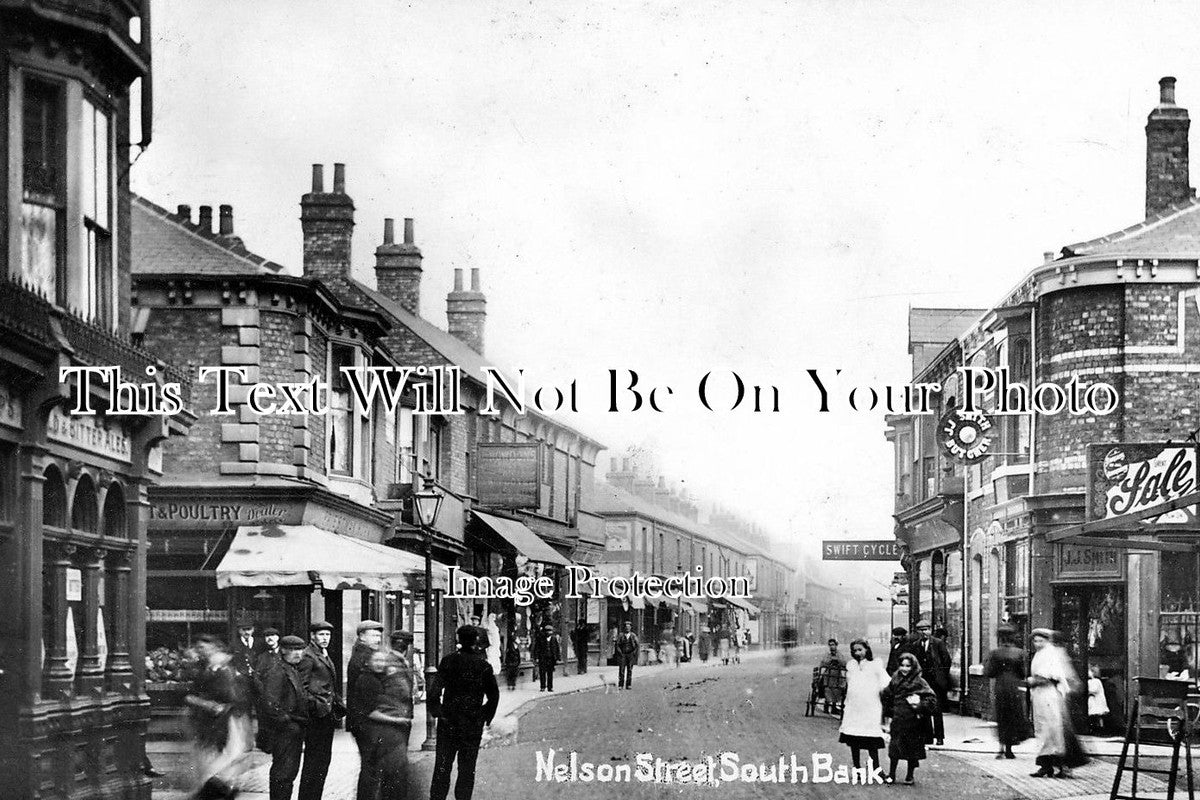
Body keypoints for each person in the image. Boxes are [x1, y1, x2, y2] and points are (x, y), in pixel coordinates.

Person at [429, 625, 500, 800]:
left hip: (449, 722)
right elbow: (493, 696)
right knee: (467, 769)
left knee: (442, 767)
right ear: (476, 640)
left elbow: (433, 692)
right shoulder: (483, 666)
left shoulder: (448, 661)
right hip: (472, 723)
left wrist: (438, 712)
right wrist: (484, 716)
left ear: (458, 640)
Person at [184, 634, 253, 799]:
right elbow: (191, 693)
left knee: (223, 759)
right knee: (212, 761)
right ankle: (219, 789)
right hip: (210, 722)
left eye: (204, 648)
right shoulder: (204, 667)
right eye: (199, 648)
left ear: (214, 648)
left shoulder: (225, 670)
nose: (201, 651)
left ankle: (218, 789)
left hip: (225, 722)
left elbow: (233, 696)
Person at [1028, 628, 1089, 778]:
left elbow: (1050, 676)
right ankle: (1045, 765)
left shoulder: (1051, 653)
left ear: (1047, 640)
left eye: (1041, 640)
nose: (1037, 643)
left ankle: (1062, 765)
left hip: (1049, 694)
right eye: (1035, 641)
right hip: (1040, 696)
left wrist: (1034, 681)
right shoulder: (1039, 654)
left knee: (1054, 730)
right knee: (1044, 730)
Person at [297, 621, 345, 800]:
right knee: (314, 762)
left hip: (326, 715)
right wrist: (318, 703)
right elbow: (300, 688)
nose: (326, 639)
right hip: (316, 716)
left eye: (328, 635)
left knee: (322, 761)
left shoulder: (323, 654)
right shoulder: (308, 656)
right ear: (313, 636)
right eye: (321, 635)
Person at [259, 636, 312, 800]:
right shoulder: (277, 671)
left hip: (291, 730)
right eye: (292, 650)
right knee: (283, 774)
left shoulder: (291, 669)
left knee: (288, 773)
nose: (297, 653)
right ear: (282, 650)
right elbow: (270, 704)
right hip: (284, 732)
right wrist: (288, 723)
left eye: (300, 649)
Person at [881, 652, 937, 785]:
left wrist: (919, 704)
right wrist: (888, 707)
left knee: (912, 749)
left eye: (908, 666)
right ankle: (892, 774)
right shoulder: (895, 679)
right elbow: (887, 694)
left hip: (913, 721)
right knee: (894, 749)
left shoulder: (919, 682)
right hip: (898, 719)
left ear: (913, 667)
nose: (905, 669)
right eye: (902, 665)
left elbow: (931, 699)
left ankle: (910, 775)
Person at [838, 639, 890, 774]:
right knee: (853, 738)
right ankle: (856, 767)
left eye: (860, 650)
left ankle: (876, 768)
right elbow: (849, 684)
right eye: (854, 650)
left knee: (871, 738)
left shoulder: (875, 665)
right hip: (854, 707)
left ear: (867, 650)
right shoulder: (851, 666)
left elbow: (886, 683)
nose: (857, 653)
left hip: (870, 707)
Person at [347, 620, 384, 800]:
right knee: (371, 767)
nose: (378, 638)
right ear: (362, 636)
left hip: (364, 720)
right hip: (367, 721)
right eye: (374, 635)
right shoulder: (364, 657)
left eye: (379, 635)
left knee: (371, 766)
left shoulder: (363, 653)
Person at [984, 623, 1029, 759]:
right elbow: (1023, 673)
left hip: (1000, 686)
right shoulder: (1020, 653)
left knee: (1001, 715)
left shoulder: (995, 653)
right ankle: (1010, 748)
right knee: (1014, 715)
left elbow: (989, 672)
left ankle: (1001, 748)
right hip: (1014, 686)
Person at [913, 617, 951, 745]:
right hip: (923, 681)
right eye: (921, 630)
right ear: (918, 632)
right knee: (924, 709)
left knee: (937, 709)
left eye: (926, 630)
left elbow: (947, 660)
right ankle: (927, 737)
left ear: (930, 630)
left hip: (936, 681)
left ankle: (939, 737)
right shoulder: (916, 645)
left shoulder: (938, 643)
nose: (924, 633)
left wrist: (941, 675)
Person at [230, 615, 265, 681]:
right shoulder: (234, 645)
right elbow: (231, 662)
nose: (246, 632)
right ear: (239, 631)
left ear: (253, 630)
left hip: (259, 678)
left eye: (249, 629)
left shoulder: (260, 643)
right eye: (244, 630)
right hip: (241, 679)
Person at [818, 639, 847, 714]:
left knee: (837, 689)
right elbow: (823, 663)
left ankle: (834, 707)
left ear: (836, 645)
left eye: (833, 645)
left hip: (837, 675)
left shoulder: (839, 654)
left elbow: (843, 662)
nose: (832, 646)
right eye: (830, 645)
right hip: (829, 674)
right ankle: (826, 706)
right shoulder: (827, 654)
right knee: (827, 688)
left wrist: (838, 661)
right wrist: (829, 661)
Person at [532, 623, 562, 691]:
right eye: (547, 631)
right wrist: (536, 657)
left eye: (550, 631)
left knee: (550, 673)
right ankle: (542, 686)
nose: (549, 632)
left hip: (551, 659)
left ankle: (550, 687)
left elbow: (557, 649)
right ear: (545, 632)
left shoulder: (554, 639)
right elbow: (537, 648)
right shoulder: (541, 638)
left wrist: (557, 658)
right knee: (542, 673)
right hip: (543, 658)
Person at [614, 621, 639, 690]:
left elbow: (637, 645)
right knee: (621, 670)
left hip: (630, 654)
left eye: (629, 627)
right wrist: (620, 652)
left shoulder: (633, 636)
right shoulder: (621, 635)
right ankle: (621, 685)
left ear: (631, 628)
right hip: (623, 654)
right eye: (626, 627)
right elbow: (617, 645)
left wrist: (634, 653)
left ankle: (628, 685)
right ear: (624, 628)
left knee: (629, 670)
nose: (627, 628)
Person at [1087, 665, 1110, 733]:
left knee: (1098, 714)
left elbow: (1094, 690)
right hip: (1092, 699)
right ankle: (1094, 728)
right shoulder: (1089, 681)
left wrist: (1088, 691)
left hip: (1097, 700)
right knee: (1092, 715)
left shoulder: (1096, 681)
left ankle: (1101, 728)